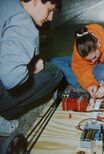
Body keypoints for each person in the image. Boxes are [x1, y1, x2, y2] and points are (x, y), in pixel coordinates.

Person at [0, 0, 63, 136]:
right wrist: (32, 68)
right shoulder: (23, 21)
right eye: (50, 10)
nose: (51, 17)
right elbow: (11, 79)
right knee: (54, 72)